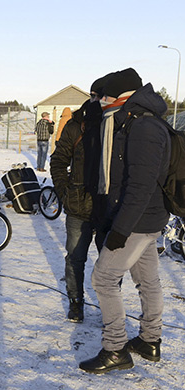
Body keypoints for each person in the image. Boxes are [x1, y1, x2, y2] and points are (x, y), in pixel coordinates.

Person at [79, 68, 170, 374]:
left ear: (120, 96)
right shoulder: (134, 120)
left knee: (103, 279)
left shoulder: (144, 127)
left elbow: (140, 186)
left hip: (137, 221)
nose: (100, 102)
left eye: (104, 96)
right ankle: (149, 340)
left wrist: (119, 230)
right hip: (143, 219)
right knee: (148, 281)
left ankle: (115, 347)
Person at [50, 77, 108, 322]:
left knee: (109, 264)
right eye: (93, 95)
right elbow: (58, 161)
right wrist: (65, 192)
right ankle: (76, 302)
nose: (97, 101)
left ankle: (109, 306)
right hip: (78, 206)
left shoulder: (116, 125)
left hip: (107, 207)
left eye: (101, 97)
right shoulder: (75, 125)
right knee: (75, 258)